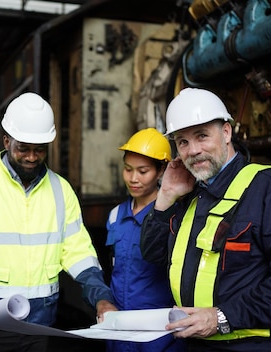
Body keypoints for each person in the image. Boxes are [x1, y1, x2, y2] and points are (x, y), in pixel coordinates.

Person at [139, 87, 271, 351]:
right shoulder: (191, 195)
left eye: (202, 136)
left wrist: (221, 317)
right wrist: (166, 195)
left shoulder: (269, 189)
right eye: (182, 142)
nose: (193, 150)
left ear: (226, 132)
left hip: (259, 345)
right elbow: (152, 253)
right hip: (198, 343)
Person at [0, 91, 117, 352]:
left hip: (39, 324)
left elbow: (79, 254)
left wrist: (101, 298)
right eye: (23, 148)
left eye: (39, 150)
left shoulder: (61, 190)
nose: (32, 157)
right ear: (6, 141)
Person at [105, 128, 185, 352]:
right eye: (128, 169)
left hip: (160, 332)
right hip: (119, 329)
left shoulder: (173, 217)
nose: (133, 178)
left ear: (161, 171)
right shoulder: (114, 216)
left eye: (143, 171)